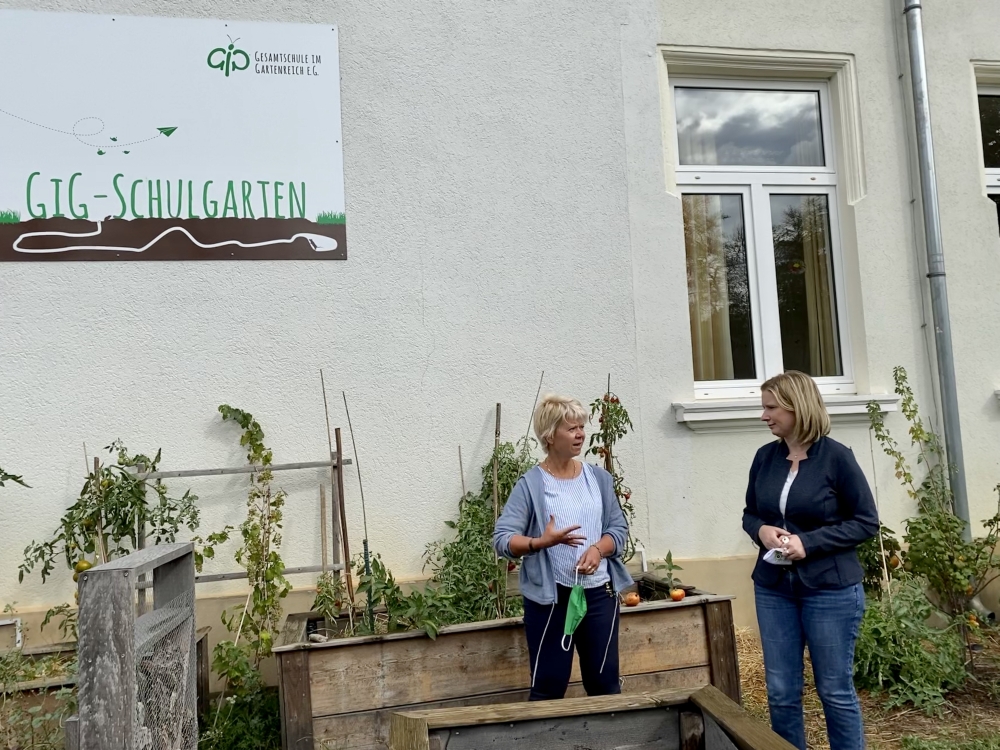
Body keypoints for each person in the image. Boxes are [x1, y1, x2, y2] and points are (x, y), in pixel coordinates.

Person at [742, 371, 879, 750]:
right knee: (781, 690)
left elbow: (866, 522)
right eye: (764, 407)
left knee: (834, 690)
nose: (764, 416)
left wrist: (809, 543)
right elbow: (750, 513)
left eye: (771, 408)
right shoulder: (765, 458)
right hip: (774, 589)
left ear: (797, 407)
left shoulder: (837, 458)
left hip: (830, 590)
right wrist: (761, 531)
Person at [493, 393, 631, 701]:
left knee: (605, 685)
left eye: (581, 427)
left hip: (599, 594)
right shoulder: (531, 484)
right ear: (549, 436)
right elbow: (502, 539)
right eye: (571, 428)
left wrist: (598, 549)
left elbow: (618, 529)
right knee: (548, 688)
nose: (580, 434)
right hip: (551, 599)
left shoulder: (598, 479)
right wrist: (539, 542)